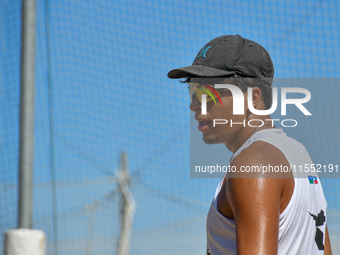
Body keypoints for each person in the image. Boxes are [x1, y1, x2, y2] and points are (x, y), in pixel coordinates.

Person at [167, 35, 332, 255]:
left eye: (206, 92)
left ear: (252, 97)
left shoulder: (253, 163)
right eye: (192, 91)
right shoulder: (298, 155)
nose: (193, 105)